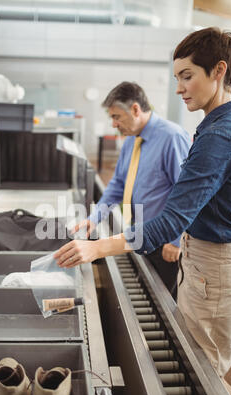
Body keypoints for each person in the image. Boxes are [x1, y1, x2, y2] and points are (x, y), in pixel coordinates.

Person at [55, 27, 231, 395]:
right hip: (201, 256)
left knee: (208, 371)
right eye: (177, 78)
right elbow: (127, 185)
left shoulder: (218, 135)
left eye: (187, 76)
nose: (179, 88)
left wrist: (98, 248)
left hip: (213, 265)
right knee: (201, 356)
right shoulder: (214, 127)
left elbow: (173, 217)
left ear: (218, 71)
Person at [71, 81, 191, 299]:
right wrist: (95, 217)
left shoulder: (172, 137)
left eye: (117, 116)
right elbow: (117, 183)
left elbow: (187, 195)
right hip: (139, 233)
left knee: (165, 302)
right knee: (148, 291)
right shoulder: (131, 141)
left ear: (135, 109)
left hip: (165, 241)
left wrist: (176, 241)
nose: (114, 124)